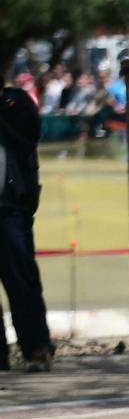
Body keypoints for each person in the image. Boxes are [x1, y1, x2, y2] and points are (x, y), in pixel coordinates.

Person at [0, 85, 51, 371]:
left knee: (21, 281)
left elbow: (30, 131)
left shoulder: (15, 103)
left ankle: (37, 349)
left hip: (11, 208)